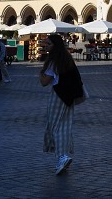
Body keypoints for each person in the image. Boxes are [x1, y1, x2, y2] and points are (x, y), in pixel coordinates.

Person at [39, 34, 84, 175]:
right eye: (46, 44)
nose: (46, 46)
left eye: (49, 44)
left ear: (55, 45)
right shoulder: (66, 58)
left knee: (55, 127)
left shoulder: (54, 61)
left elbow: (44, 82)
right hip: (69, 97)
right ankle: (63, 156)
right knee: (64, 127)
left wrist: (41, 72)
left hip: (58, 96)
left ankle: (62, 157)